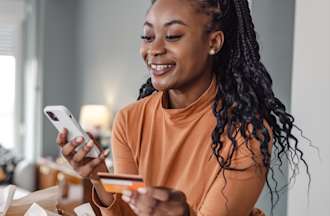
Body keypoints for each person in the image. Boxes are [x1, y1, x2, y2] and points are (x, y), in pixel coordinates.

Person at [56, 0, 310, 215]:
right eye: (147, 36)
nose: (154, 50)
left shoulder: (245, 132)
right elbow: (129, 207)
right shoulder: (130, 120)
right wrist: (99, 175)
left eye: (173, 36)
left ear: (213, 42)